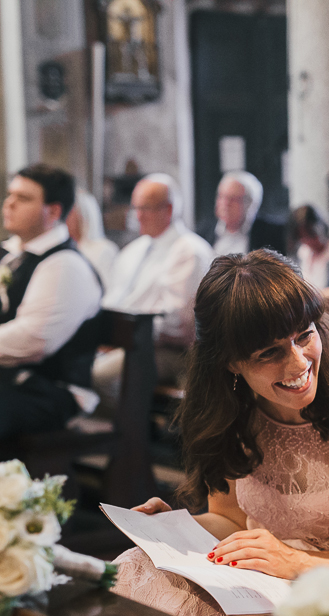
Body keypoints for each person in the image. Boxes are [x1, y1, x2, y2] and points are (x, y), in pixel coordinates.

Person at [112, 250, 329, 616]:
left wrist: (298, 563)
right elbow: (230, 518)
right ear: (231, 363)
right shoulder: (230, 408)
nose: (299, 363)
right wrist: (176, 531)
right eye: (271, 353)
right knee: (133, 568)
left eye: (304, 336)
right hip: (262, 582)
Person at [0, 165, 102, 443]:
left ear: (54, 211)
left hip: (48, 391)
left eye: (24, 198)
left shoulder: (65, 265)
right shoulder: (10, 254)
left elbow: (33, 340)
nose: (9, 203)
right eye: (10, 195)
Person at [94, 174, 214, 407]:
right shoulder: (134, 249)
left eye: (145, 208)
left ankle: (125, 440)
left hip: (170, 352)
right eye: (135, 207)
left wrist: (125, 334)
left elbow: (180, 322)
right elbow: (115, 299)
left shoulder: (189, 251)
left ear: (168, 210)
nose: (137, 215)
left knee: (99, 376)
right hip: (127, 341)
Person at [211, 171, 286, 257]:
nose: (225, 204)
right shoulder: (204, 232)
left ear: (250, 203)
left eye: (233, 199)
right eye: (221, 197)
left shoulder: (272, 234)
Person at [65, 188, 118, 287]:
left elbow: (107, 290)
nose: (63, 218)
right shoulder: (65, 249)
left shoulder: (104, 250)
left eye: (69, 212)